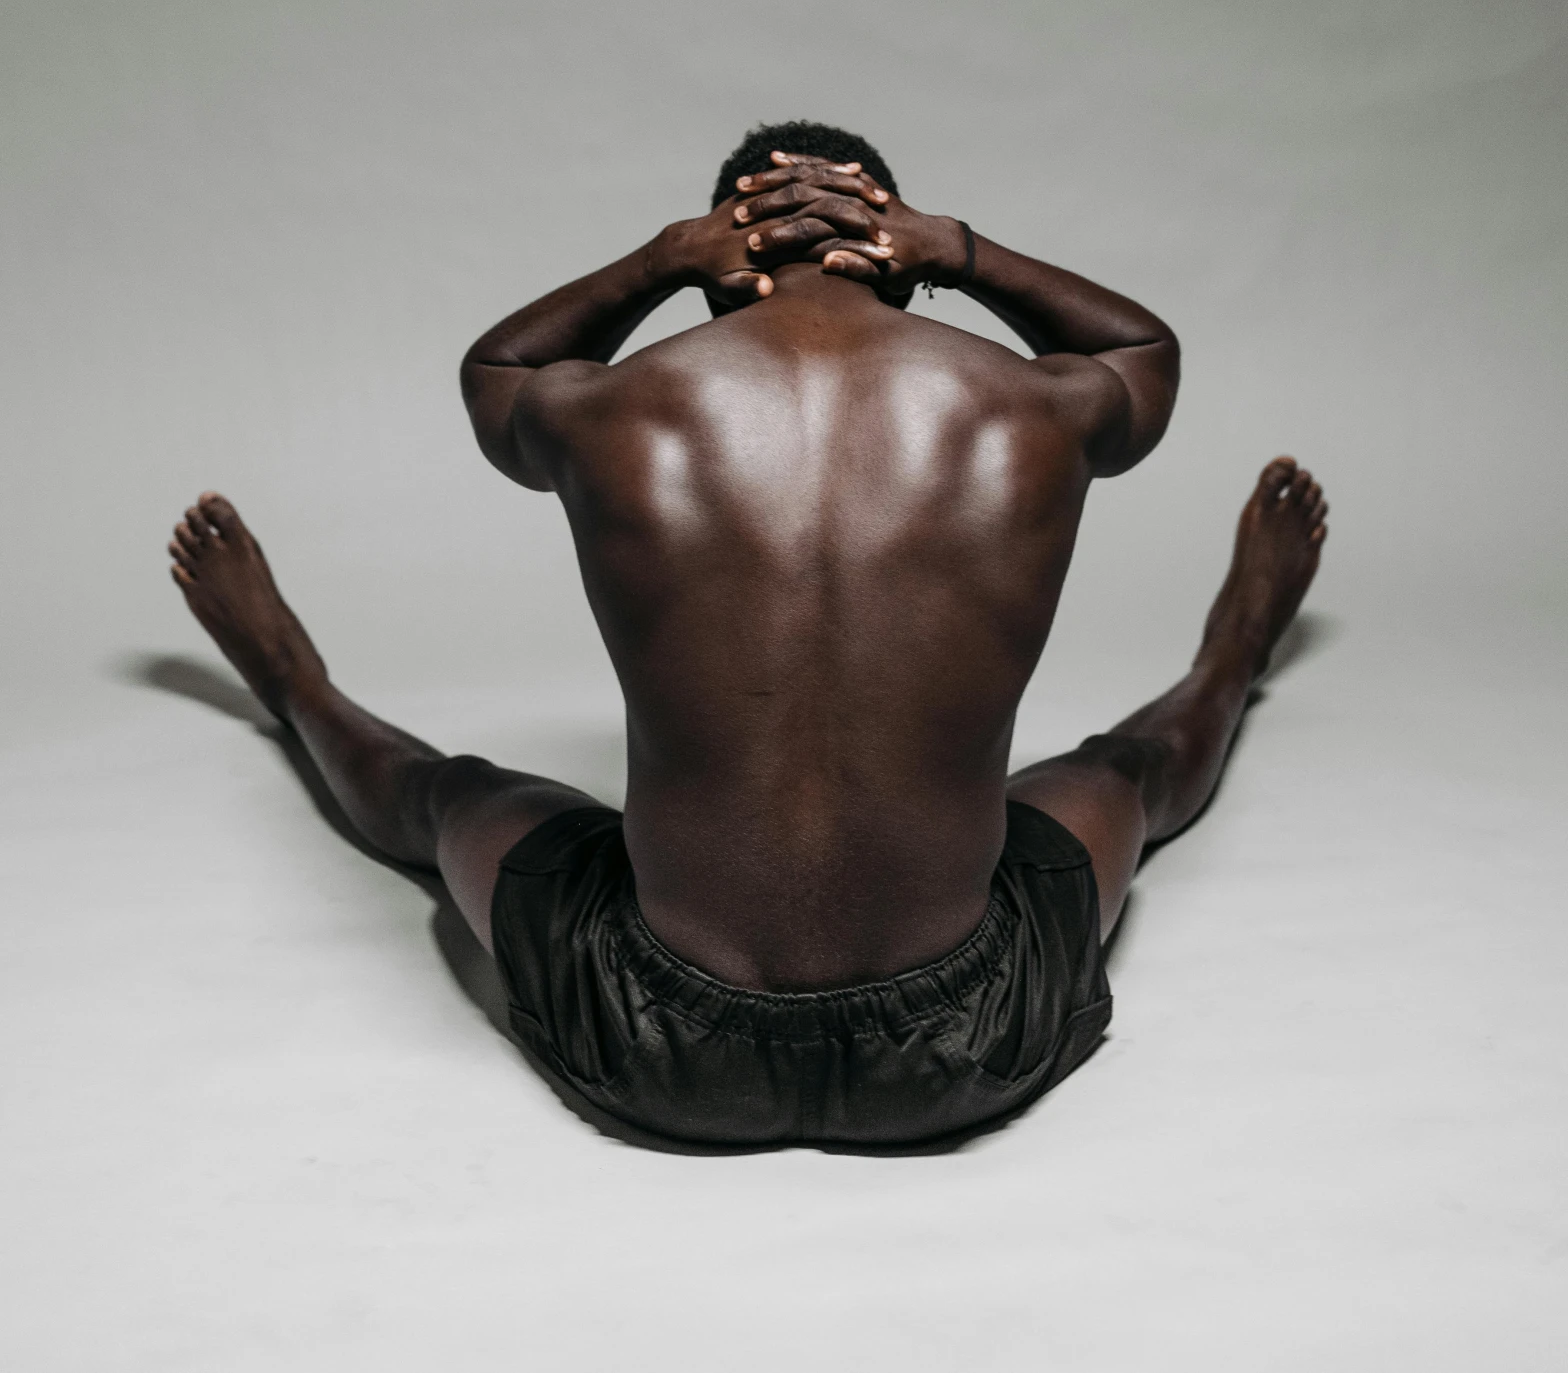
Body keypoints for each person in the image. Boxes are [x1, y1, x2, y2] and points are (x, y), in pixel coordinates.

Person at [169, 119, 1327, 1151]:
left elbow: (498, 369)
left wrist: (657, 261)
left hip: (656, 1040)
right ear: (900, 267)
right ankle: (1232, 655)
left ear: (725, 273)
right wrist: (958, 249)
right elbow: (1144, 354)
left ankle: (293, 680)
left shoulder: (600, 409)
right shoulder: (1039, 404)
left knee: (443, 799)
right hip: (966, 1038)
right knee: (1124, 769)